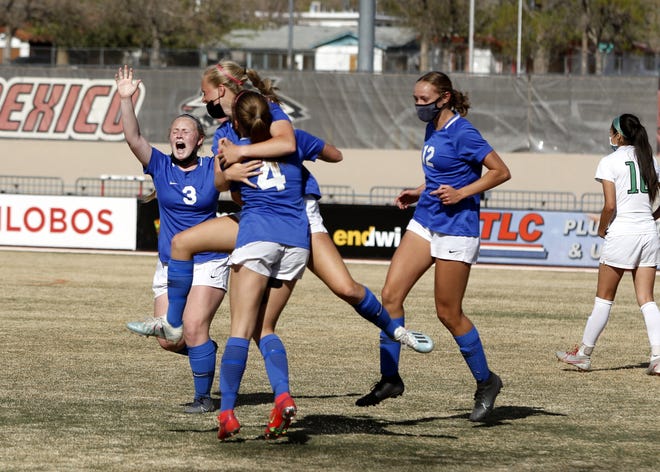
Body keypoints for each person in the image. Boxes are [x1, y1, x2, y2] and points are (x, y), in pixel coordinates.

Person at [128, 60, 434, 356]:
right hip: (259, 218)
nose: (203, 98)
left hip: (298, 213)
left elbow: (289, 143)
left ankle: (397, 331)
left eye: (205, 91)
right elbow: (222, 185)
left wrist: (243, 153)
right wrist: (228, 175)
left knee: (346, 289)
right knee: (185, 244)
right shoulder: (223, 131)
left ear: (221, 90)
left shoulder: (267, 110)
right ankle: (173, 324)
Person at [356, 71, 511, 423]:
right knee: (391, 295)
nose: (418, 106)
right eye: (415, 99)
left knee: (448, 313)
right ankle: (390, 378)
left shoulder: (464, 131)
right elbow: (443, 175)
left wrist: (462, 193)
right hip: (426, 220)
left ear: (444, 98)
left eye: (424, 100)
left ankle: (487, 382)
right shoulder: (433, 129)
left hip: (457, 229)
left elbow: (501, 172)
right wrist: (419, 190)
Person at [116, 65, 230, 414]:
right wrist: (125, 100)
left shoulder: (213, 167)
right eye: (174, 130)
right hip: (169, 265)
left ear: (198, 140)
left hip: (207, 262)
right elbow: (133, 138)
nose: (179, 134)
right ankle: (203, 351)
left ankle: (203, 398)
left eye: (187, 130)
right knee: (170, 339)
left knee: (193, 327)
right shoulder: (160, 166)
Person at [214, 90, 316, 441]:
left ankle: (226, 413)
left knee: (239, 330)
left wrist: (230, 165)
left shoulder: (231, 147)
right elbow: (335, 154)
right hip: (297, 241)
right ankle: (282, 396)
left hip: (258, 237)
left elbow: (228, 191)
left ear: (237, 121)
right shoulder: (291, 142)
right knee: (265, 328)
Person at [556, 113, 660, 376]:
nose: (609, 137)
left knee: (604, 300)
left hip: (622, 232)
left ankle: (583, 355)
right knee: (647, 300)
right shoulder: (651, 160)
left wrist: (602, 228)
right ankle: (658, 356)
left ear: (619, 135)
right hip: (648, 232)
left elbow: (610, 205)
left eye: (611, 132)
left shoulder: (609, 161)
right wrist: (653, 217)